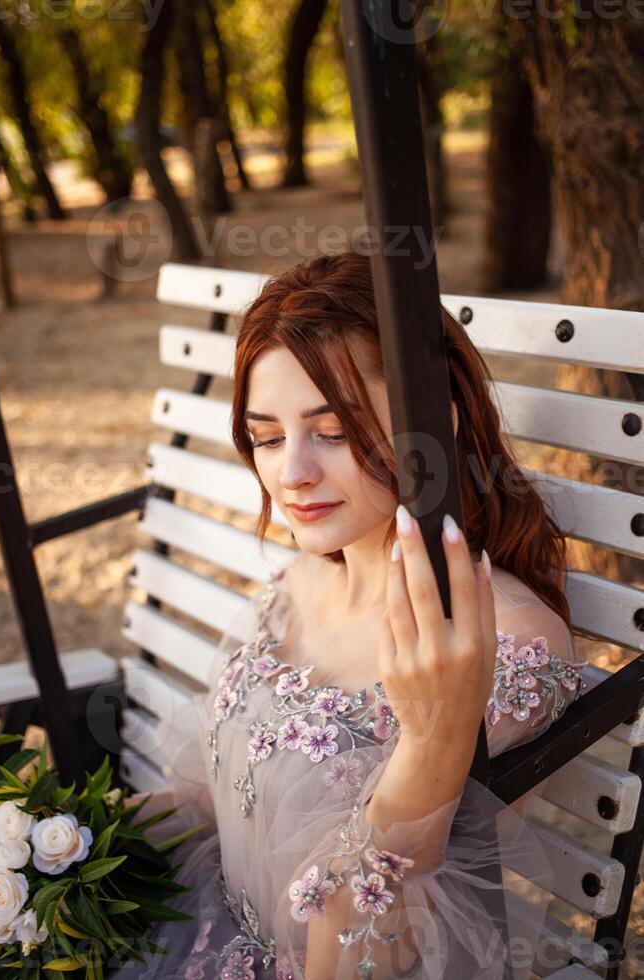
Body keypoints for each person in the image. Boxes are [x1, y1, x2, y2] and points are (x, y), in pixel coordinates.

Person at [111, 251, 588, 980]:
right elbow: (223, 799)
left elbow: (358, 949)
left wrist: (432, 740)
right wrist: (73, 840)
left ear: (433, 426)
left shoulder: (506, 642)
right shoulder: (304, 575)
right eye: (267, 436)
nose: (291, 472)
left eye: (332, 431)